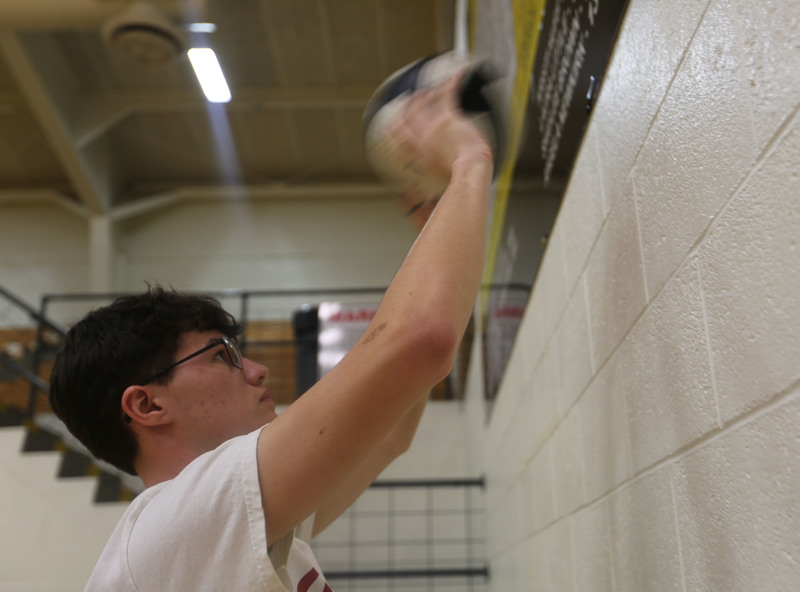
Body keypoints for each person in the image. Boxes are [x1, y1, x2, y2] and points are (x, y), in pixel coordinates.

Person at [48, 72, 494, 591]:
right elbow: (422, 340)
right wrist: (469, 158)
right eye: (222, 356)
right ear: (147, 406)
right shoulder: (179, 525)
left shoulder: (225, 526)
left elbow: (391, 427)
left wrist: (436, 222)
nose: (257, 370)